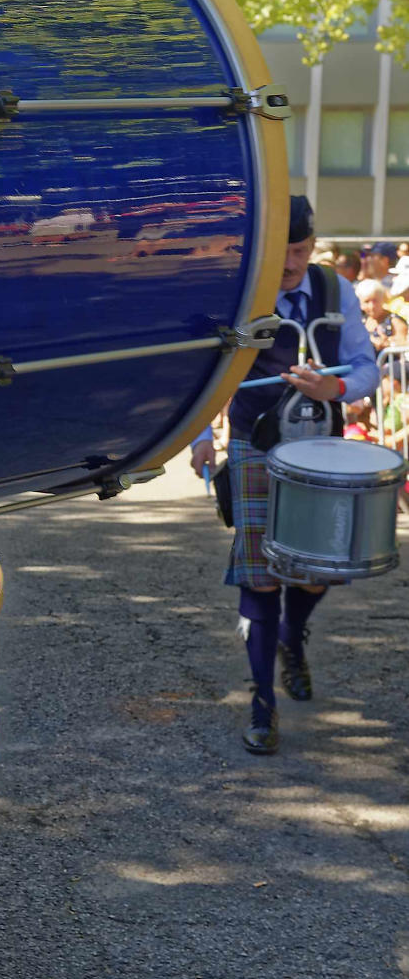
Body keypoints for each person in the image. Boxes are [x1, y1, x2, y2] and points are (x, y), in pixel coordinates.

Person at [191, 196, 379, 753]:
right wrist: (202, 437)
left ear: (312, 245)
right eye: (281, 251)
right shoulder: (239, 290)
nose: (291, 263)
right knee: (260, 575)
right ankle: (262, 703)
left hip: (322, 447)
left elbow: (367, 367)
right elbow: (210, 373)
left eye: (300, 249)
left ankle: (292, 639)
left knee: (316, 572)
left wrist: (336, 388)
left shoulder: (332, 290)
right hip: (256, 444)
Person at [355, 278, 408, 348]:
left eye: (375, 300)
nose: (372, 306)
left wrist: (387, 344)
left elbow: (404, 344)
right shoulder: (360, 321)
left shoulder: (394, 321)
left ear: (382, 299)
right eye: (366, 302)